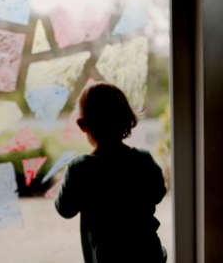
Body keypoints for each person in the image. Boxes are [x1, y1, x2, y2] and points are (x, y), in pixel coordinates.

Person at [55, 83, 167, 263]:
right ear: (128, 119)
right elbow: (158, 194)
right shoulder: (143, 160)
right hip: (147, 254)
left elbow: (65, 209)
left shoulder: (81, 168)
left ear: (82, 125)